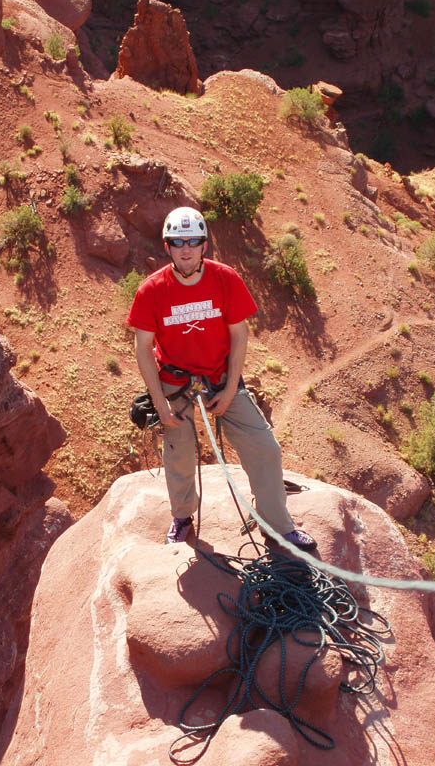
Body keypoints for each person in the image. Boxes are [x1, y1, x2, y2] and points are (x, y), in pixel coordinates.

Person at [127, 206, 317, 551]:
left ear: (204, 246)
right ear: (167, 247)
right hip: (175, 379)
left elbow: (239, 335)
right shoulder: (152, 290)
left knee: (264, 448)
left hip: (218, 374)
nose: (186, 249)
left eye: (193, 242)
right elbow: (143, 348)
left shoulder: (225, 279)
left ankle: (278, 527)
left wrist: (230, 390)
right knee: (179, 451)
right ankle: (183, 516)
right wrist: (160, 403)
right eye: (178, 242)